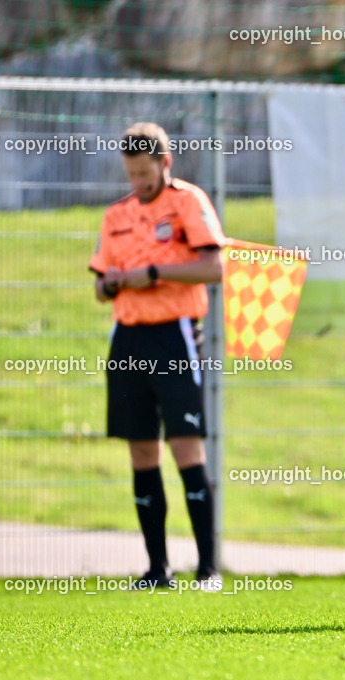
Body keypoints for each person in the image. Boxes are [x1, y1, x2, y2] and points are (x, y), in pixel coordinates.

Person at [89, 122, 225, 590]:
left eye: (145, 174)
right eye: (131, 176)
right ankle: (156, 570)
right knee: (141, 452)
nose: (138, 184)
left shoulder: (188, 201)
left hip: (176, 337)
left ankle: (208, 570)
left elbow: (214, 267)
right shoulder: (116, 215)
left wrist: (154, 272)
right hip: (127, 339)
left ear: (165, 164)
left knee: (186, 449)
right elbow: (99, 284)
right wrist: (109, 285)